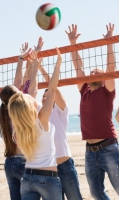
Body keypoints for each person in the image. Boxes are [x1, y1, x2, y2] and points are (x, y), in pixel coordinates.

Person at [65, 24, 119, 200]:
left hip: (108, 148)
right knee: (96, 193)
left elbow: (111, 68)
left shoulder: (107, 91)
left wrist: (109, 42)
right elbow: (77, 67)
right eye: (91, 72)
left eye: (97, 71)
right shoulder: (84, 90)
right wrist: (73, 43)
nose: (93, 72)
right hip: (90, 151)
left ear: (103, 78)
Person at [8, 48, 62, 200]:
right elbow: (51, 90)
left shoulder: (18, 127)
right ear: (29, 106)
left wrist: (34, 68)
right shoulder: (41, 121)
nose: (32, 97)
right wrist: (58, 64)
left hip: (28, 178)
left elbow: (32, 89)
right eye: (30, 99)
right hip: (47, 178)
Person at [0, 41, 41, 200]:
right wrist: (34, 67)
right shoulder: (21, 109)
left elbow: (16, 84)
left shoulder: (5, 109)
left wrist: (21, 59)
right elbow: (32, 90)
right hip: (22, 164)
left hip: (9, 163)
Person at [38, 64, 82, 200]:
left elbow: (54, 88)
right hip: (48, 169)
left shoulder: (60, 112)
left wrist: (40, 67)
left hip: (65, 166)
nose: (45, 98)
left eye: (48, 95)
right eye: (43, 97)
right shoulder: (38, 116)